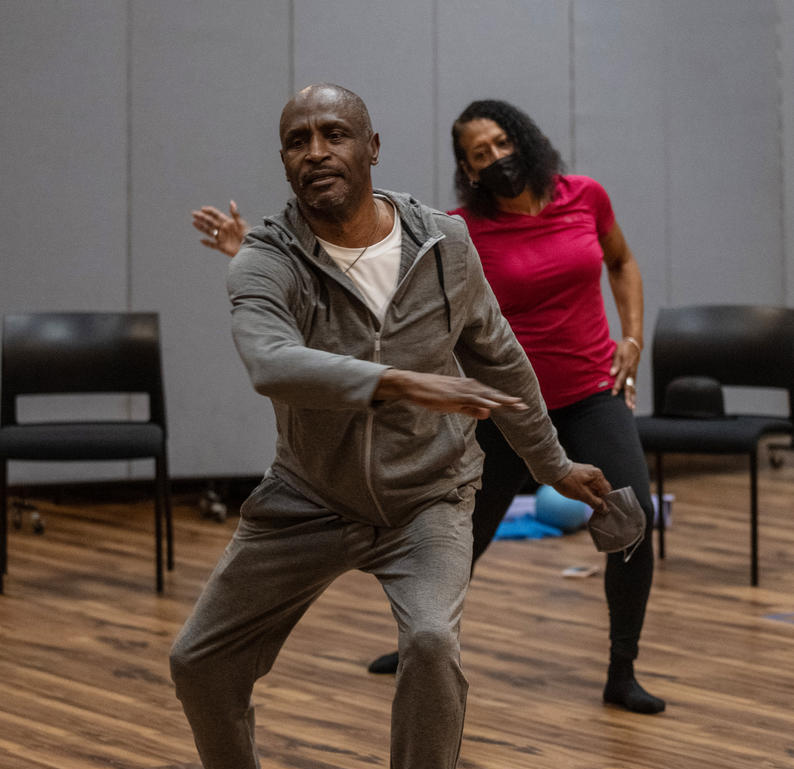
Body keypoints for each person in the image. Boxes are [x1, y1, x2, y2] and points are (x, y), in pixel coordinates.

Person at [142, 83, 610, 769]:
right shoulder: (266, 259)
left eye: (333, 133)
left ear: (373, 146)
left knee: (431, 641)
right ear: (284, 157)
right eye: (296, 140)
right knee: (198, 661)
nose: (315, 150)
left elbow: (501, 362)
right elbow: (270, 362)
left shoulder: (445, 244)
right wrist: (394, 381)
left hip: (429, 495)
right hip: (307, 498)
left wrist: (557, 463)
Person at [191, 98, 664, 716]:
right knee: (459, 532)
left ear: (525, 139)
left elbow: (622, 262)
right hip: (486, 403)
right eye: (478, 155)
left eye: (501, 144)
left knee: (631, 514)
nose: (495, 159)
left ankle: (621, 668)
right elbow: (357, 266)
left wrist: (631, 338)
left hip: (586, 393)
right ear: (466, 169)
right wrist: (249, 249)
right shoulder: (460, 228)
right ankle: (424, 643)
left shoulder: (584, 198)